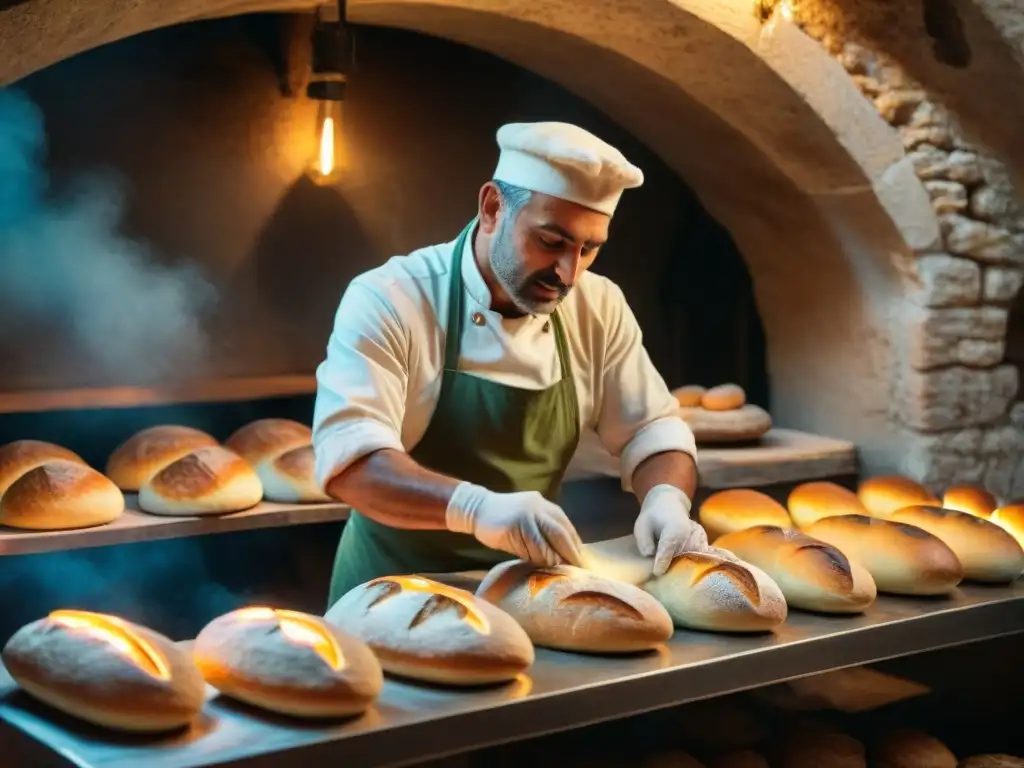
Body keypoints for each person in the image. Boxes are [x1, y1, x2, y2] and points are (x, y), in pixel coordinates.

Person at [313, 121, 706, 608]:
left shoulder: (598, 305)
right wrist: (476, 509)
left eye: (590, 249)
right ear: (494, 207)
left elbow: (653, 429)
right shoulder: (392, 298)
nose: (569, 272)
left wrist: (667, 499)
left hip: (530, 597)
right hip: (391, 597)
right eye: (551, 241)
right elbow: (350, 462)